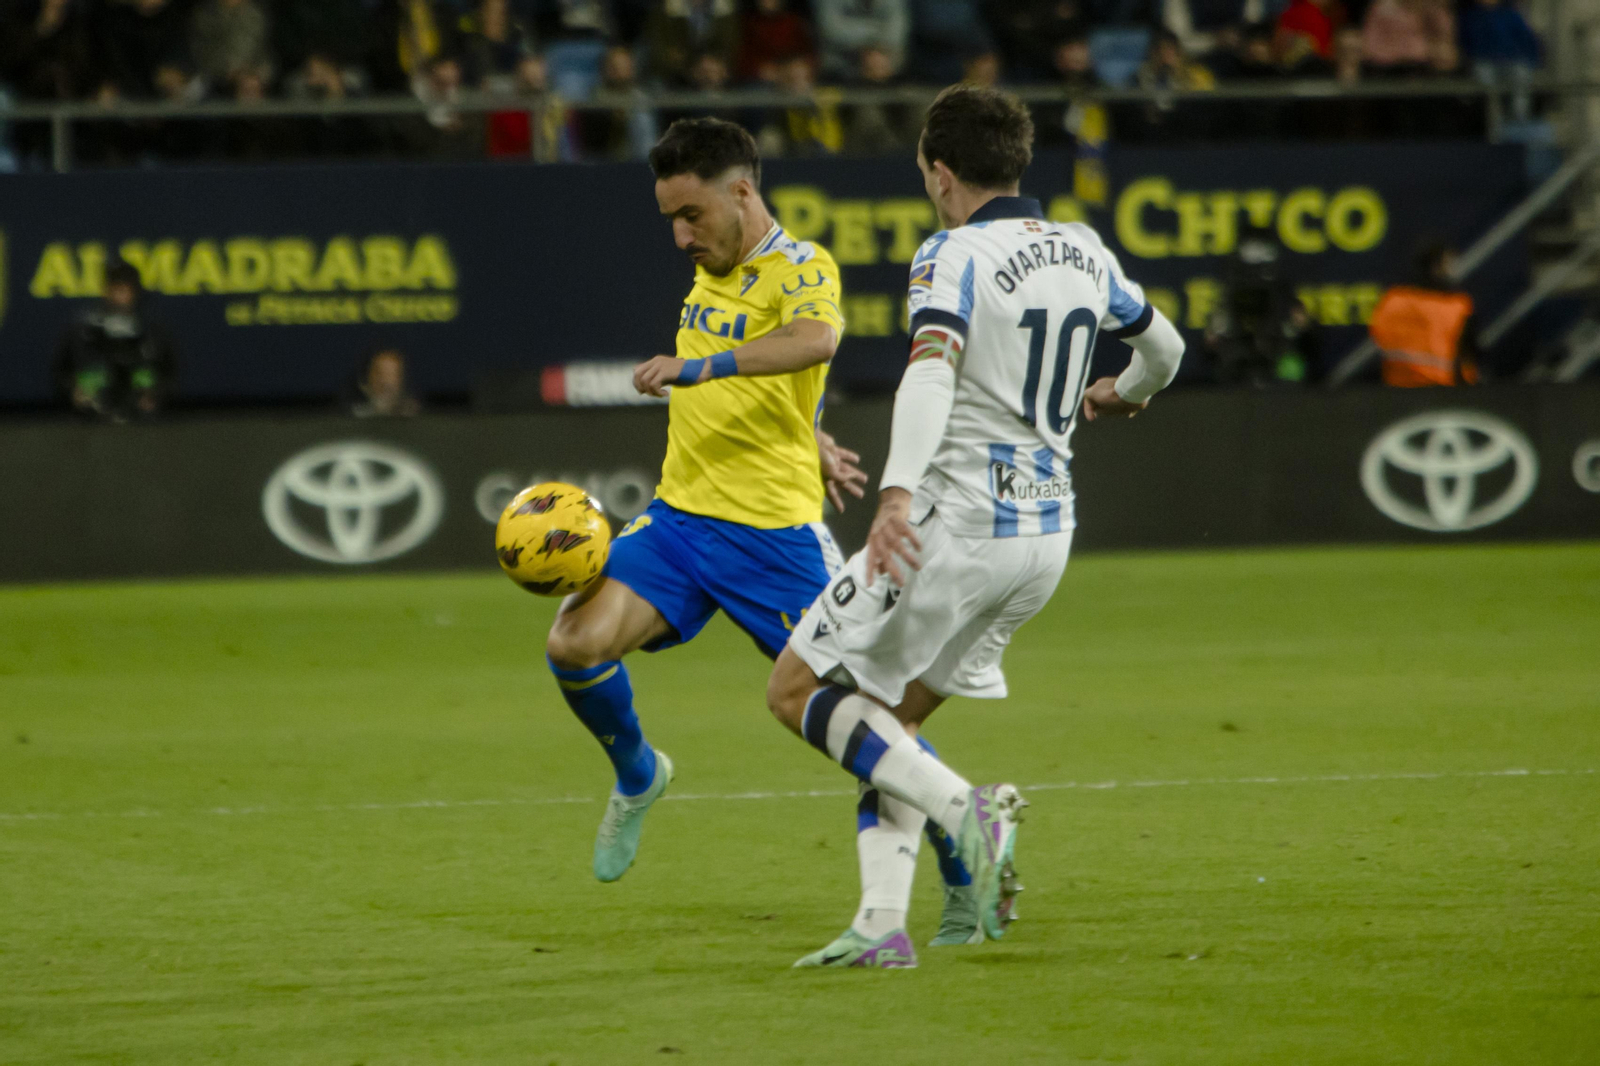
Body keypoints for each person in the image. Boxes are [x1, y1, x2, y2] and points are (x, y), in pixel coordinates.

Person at [764, 85, 1185, 968]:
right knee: (888, 730)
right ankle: (883, 924)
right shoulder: (1081, 246)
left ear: (941, 172)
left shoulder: (951, 253)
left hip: (953, 526)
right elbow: (1167, 350)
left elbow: (930, 373)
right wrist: (1122, 394)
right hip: (1044, 540)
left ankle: (970, 812)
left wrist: (893, 496)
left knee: (798, 690)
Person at [540, 118, 870, 884]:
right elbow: (781, 384)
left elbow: (815, 341)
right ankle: (637, 774)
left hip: (774, 536)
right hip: (680, 522)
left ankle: (961, 844)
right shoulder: (711, 272)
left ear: (742, 192)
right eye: (670, 220)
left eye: (692, 215)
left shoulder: (799, 264)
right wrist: (810, 432)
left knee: (865, 714)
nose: (681, 236)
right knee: (573, 644)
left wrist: (702, 369)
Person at [53, 260, 178, 421]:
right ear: (105, 290)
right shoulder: (83, 332)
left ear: (135, 292)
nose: (120, 295)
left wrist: (156, 395)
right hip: (91, 424)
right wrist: (73, 391)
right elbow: (59, 373)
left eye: (126, 289)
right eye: (115, 288)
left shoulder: (152, 333)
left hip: (142, 425)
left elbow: (171, 374)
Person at [1369, 243, 1480, 386]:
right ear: (1436, 267)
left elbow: (1379, 337)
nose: (1454, 269)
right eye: (1449, 264)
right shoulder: (1457, 307)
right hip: (1444, 390)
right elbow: (1468, 354)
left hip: (1396, 388)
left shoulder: (1393, 300)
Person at [351, 348, 423, 417]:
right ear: (367, 378)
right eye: (379, 374)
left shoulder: (415, 416)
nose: (385, 382)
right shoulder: (353, 415)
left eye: (391, 375)